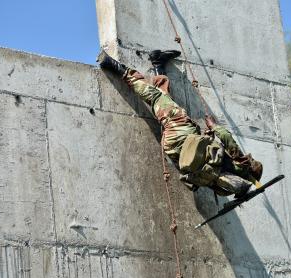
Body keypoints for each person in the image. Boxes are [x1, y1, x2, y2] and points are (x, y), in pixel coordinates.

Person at [97, 49, 263, 198]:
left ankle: (116, 67)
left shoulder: (242, 165)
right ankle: (158, 64)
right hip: (173, 149)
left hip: (181, 133)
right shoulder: (223, 184)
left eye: (253, 161)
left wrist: (213, 126)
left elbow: (226, 137)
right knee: (165, 101)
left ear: (250, 168)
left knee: (156, 98)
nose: (251, 158)